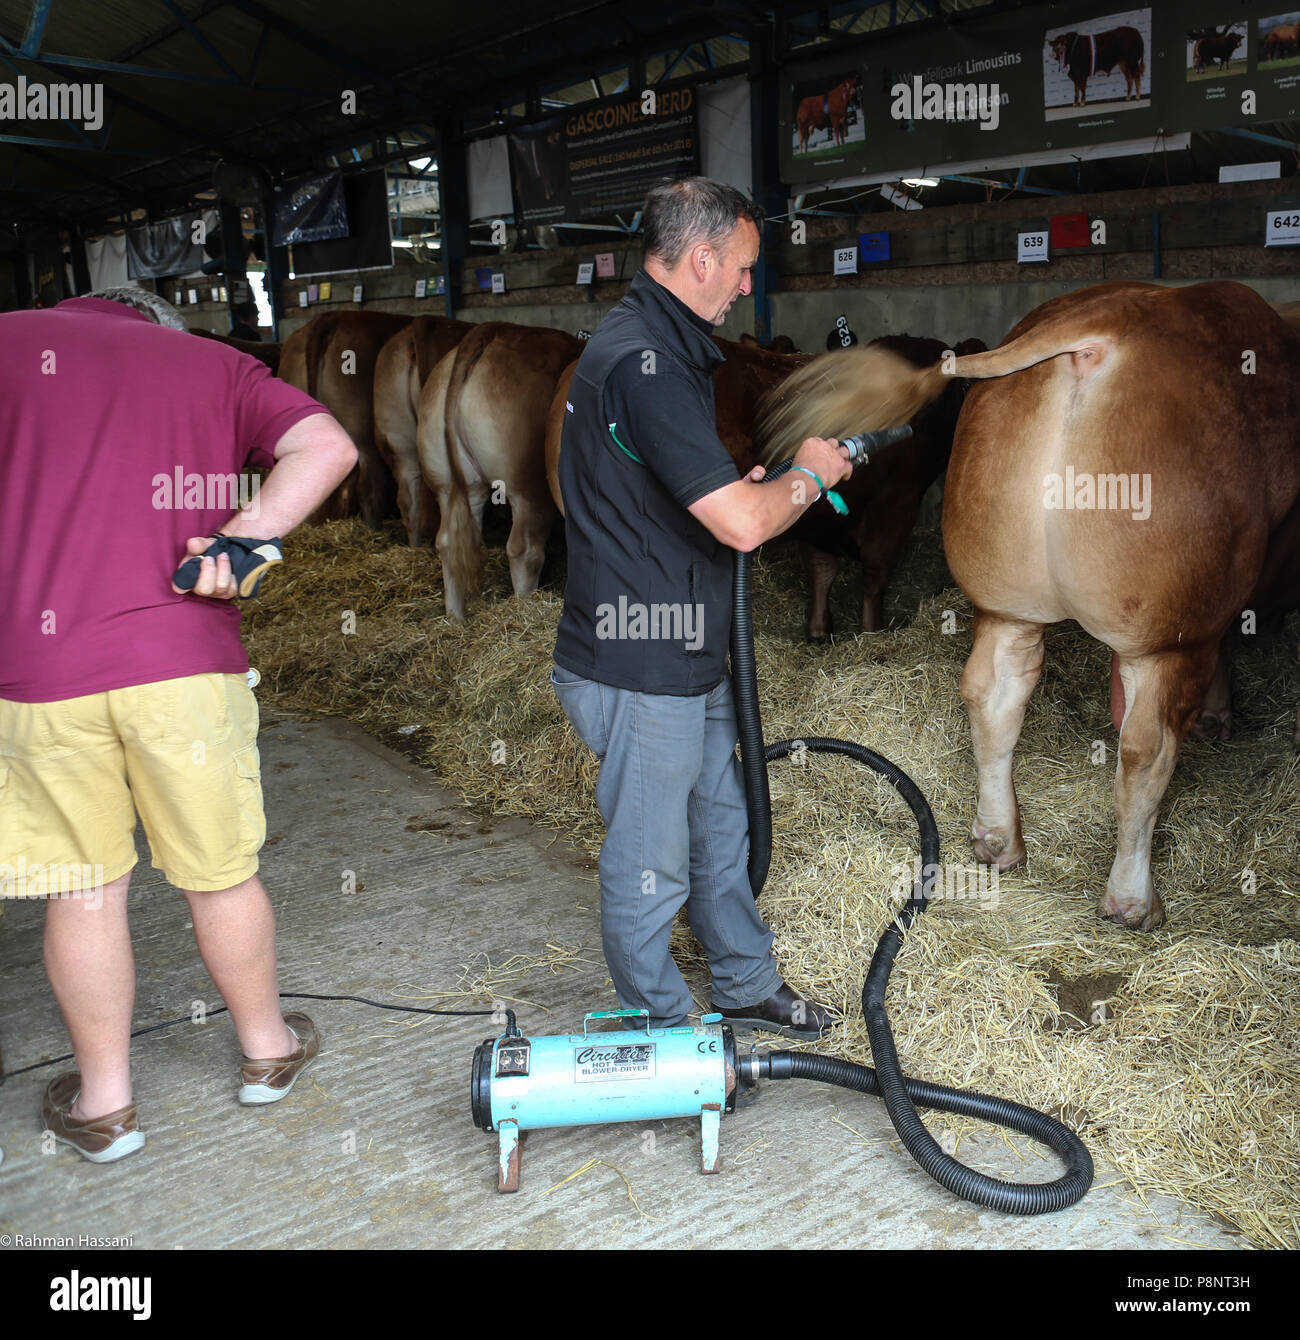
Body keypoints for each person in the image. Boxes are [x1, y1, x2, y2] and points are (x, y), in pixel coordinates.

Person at [0, 286, 357, 1162]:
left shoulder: (11, 343)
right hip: (184, 664)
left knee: (83, 890)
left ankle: (106, 1106)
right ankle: (268, 1053)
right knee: (219, 873)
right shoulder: (216, 362)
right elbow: (328, 444)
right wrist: (245, 540)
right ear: (159, 322)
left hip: (40, 669)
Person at [552, 177, 853, 1037]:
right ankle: (665, 1037)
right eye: (745, 267)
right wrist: (810, 477)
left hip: (684, 646)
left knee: (720, 827)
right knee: (651, 863)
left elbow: (694, 499)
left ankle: (745, 982)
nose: (748, 286)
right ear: (702, 257)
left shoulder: (659, 344)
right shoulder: (645, 360)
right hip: (642, 662)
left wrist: (737, 493)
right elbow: (746, 529)